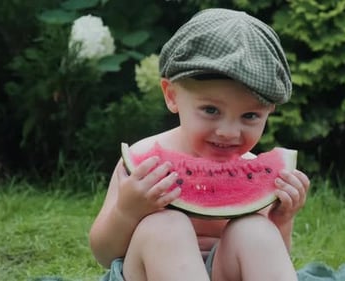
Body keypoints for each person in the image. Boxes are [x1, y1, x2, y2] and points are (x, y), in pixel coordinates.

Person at [90, 8, 310, 281]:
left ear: (269, 112)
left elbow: (271, 258)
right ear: (171, 96)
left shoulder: (259, 174)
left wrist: (282, 220)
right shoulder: (143, 164)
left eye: (250, 116)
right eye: (211, 110)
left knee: (255, 231)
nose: (229, 132)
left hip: (221, 272)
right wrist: (127, 210)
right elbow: (103, 253)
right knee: (166, 226)